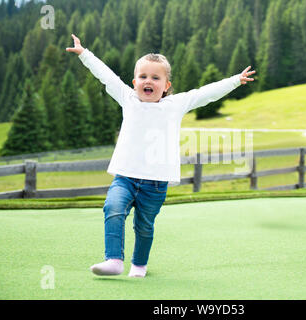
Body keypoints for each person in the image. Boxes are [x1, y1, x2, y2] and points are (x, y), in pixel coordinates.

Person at [66, 34, 256, 278]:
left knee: (144, 227)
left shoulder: (175, 105)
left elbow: (205, 93)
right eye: (143, 77)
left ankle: (139, 265)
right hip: (125, 176)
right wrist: (85, 54)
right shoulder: (128, 99)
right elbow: (107, 76)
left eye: (156, 78)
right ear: (135, 82)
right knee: (112, 208)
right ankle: (114, 260)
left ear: (166, 85)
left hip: (156, 183)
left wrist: (235, 81)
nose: (149, 81)